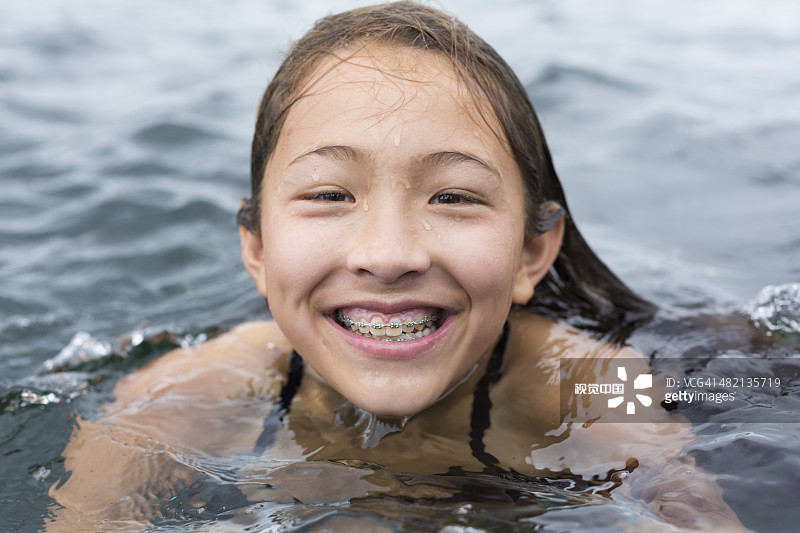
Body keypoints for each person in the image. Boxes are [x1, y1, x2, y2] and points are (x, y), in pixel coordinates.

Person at [47, 2, 749, 531]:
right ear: (256, 250)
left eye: (453, 196)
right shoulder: (178, 398)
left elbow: (686, 504)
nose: (388, 256)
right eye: (328, 195)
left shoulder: (598, 385)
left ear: (531, 253)